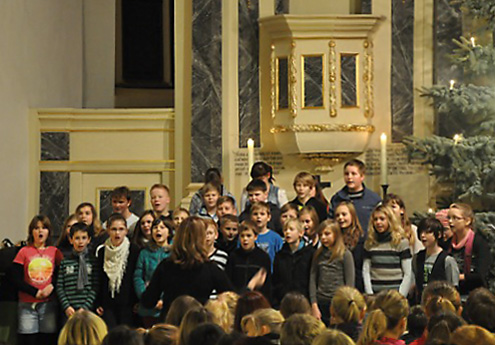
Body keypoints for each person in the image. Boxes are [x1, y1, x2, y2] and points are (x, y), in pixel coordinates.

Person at [141, 216, 233, 316]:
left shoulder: (166, 266)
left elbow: (148, 301)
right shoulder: (210, 268)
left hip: (170, 323)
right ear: (201, 238)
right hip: (198, 324)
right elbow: (231, 298)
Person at [13, 215, 63, 345]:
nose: (40, 231)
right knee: (28, 340)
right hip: (27, 305)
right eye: (36, 228)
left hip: (48, 304)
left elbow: (60, 274)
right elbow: (16, 279)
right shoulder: (24, 251)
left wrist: (51, 286)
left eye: (44, 228)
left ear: (49, 232)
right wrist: (34, 292)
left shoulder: (55, 251)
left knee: (47, 339)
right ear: (31, 232)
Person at [96, 213, 140, 329]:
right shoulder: (102, 251)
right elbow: (99, 278)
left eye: (121, 229)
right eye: (114, 229)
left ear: (126, 231)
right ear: (108, 231)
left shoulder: (134, 250)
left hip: (128, 303)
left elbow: (135, 276)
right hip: (108, 303)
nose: (117, 233)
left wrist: (137, 301)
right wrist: (98, 302)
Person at [310, 220, 355, 325]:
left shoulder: (345, 254)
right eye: (320, 235)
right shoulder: (318, 254)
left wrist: (344, 305)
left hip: (338, 303)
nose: (323, 238)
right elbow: (313, 279)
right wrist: (314, 304)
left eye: (327, 234)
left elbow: (350, 283)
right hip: (321, 302)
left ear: (336, 234)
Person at [363, 205, 412, 296]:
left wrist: (401, 295)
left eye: (382, 219)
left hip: (395, 293)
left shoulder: (400, 242)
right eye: (375, 219)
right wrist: (370, 293)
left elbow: (407, 273)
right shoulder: (370, 243)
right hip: (376, 293)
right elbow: (366, 271)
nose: (378, 222)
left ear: (390, 220)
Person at [134, 216, 173, 327]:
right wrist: (146, 297)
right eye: (155, 227)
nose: (158, 230)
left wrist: (164, 300)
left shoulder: (174, 254)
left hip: (167, 307)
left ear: (169, 232)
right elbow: (138, 276)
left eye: (162, 227)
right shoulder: (144, 253)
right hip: (148, 307)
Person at [57, 222, 99, 320]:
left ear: (88, 240)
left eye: (84, 238)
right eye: (77, 238)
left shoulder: (93, 261)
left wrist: (85, 307)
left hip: (86, 309)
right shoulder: (65, 261)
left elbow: (95, 286)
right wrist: (66, 306)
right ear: (71, 240)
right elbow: (60, 286)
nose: (80, 242)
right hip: (69, 310)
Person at [447, 203, 491, 297]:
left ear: (467, 221)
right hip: (452, 293)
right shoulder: (448, 243)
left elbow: (481, 274)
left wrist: (458, 277)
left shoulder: (479, 243)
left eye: (455, 218)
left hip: (474, 294)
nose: (450, 221)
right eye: (449, 218)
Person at [329, 159, 381, 236]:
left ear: (362, 176)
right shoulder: (337, 198)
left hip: (367, 242)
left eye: (353, 174)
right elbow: (331, 223)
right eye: (346, 174)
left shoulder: (373, 199)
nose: (349, 177)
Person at [412, 217, 459, 302]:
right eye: (421, 232)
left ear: (439, 234)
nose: (423, 235)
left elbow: (453, 288)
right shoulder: (417, 258)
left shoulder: (447, 260)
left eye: (428, 232)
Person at [272, 219, 314, 307]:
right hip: (284, 301)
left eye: (291, 229)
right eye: (285, 230)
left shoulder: (310, 254)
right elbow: (276, 279)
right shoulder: (280, 255)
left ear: (301, 233)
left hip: (304, 301)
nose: (287, 232)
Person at [226, 221, 272, 299]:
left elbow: (267, 285)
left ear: (255, 237)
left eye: (248, 236)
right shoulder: (233, 256)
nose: (245, 239)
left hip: (256, 299)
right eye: (242, 236)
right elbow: (229, 280)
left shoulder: (263, 257)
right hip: (237, 298)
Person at [334, 201, 365, 292]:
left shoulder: (360, 238)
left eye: (344, 214)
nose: (340, 218)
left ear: (352, 216)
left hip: (356, 284)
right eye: (337, 215)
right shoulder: (334, 237)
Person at [250, 202, 283, 266]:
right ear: (251, 217)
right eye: (255, 214)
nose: (258, 217)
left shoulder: (276, 238)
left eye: (262, 214)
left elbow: (280, 259)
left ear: (268, 217)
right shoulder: (247, 236)